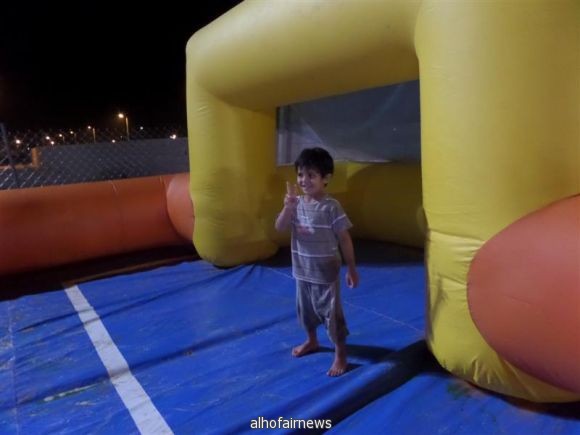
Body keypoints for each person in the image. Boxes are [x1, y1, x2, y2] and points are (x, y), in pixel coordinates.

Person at [275, 147, 359, 376]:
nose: (304, 180)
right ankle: (312, 340)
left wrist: (351, 268)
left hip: (326, 273)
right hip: (302, 271)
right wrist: (287, 207)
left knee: (332, 317)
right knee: (306, 312)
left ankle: (340, 353)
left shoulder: (331, 207)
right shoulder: (295, 204)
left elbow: (344, 238)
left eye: (311, 175)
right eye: (300, 174)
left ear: (326, 178)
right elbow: (280, 227)